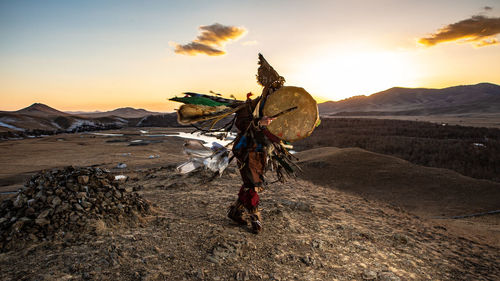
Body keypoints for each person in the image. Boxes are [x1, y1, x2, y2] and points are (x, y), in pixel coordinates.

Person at [227, 90, 280, 234]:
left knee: (250, 183)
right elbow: (241, 123)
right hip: (245, 150)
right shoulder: (250, 106)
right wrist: (258, 122)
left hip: (260, 153)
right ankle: (254, 217)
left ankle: (235, 211)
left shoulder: (276, 107)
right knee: (252, 184)